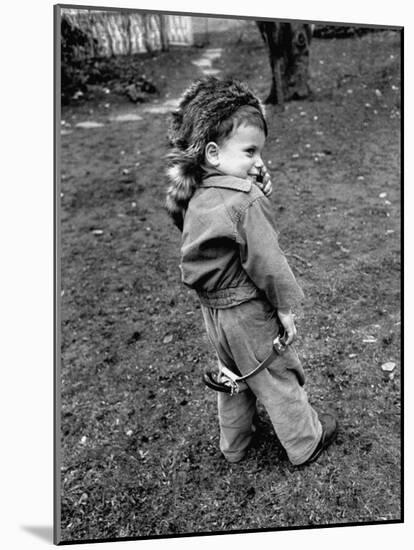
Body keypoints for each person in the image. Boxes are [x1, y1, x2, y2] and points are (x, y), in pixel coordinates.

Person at [165, 76, 337, 465]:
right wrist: (284, 309)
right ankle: (305, 441)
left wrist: (249, 179)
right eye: (249, 151)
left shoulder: (199, 193)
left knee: (234, 377)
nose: (259, 161)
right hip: (246, 314)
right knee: (276, 375)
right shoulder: (245, 201)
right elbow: (268, 263)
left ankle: (235, 446)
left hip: (215, 315)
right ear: (212, 152)